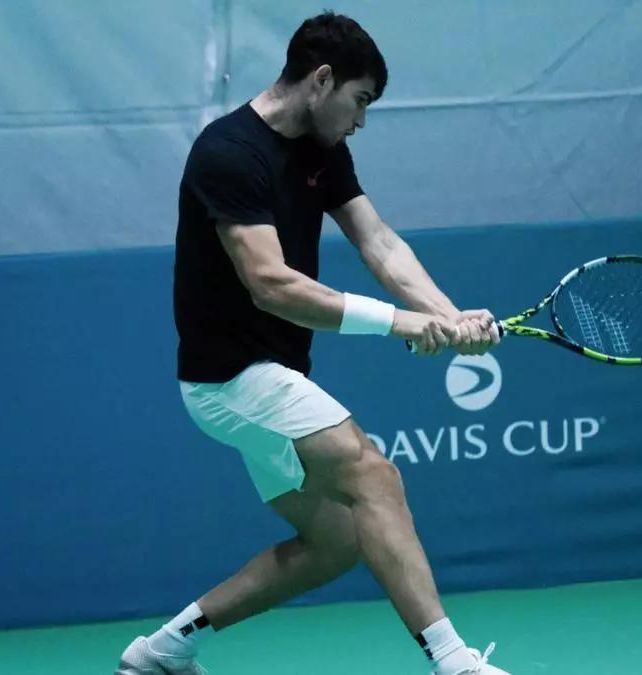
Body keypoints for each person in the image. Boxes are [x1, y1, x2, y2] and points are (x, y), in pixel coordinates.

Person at [116, 11, 509, 675]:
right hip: (230, 378)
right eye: (360, 101)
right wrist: (401, 322)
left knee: (336, 540)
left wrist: (449, 315)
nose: (361, 120)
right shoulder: (227, 153)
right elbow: (271, 285)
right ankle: (454, 663)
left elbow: (378, 240)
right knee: (372, 472)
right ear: (322, 80)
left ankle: (163, 649)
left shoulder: (322, 150)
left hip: (271, 374)